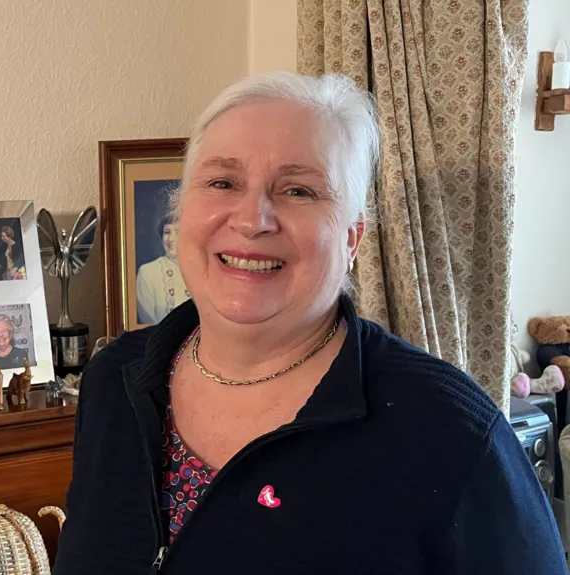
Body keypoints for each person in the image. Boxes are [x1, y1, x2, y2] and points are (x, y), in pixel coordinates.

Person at [53, 72, 566, 574]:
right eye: (222, 182)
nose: (253, 219)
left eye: (299, 191)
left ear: (351, 238)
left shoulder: (450, 432)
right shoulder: (113, 381)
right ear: (181, 212)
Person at [136, 216, 189, 325]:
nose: (171, 239)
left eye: (177, 232)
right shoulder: (147, 272)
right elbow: (147, 322)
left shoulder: (200, 271)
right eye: (167, 232)